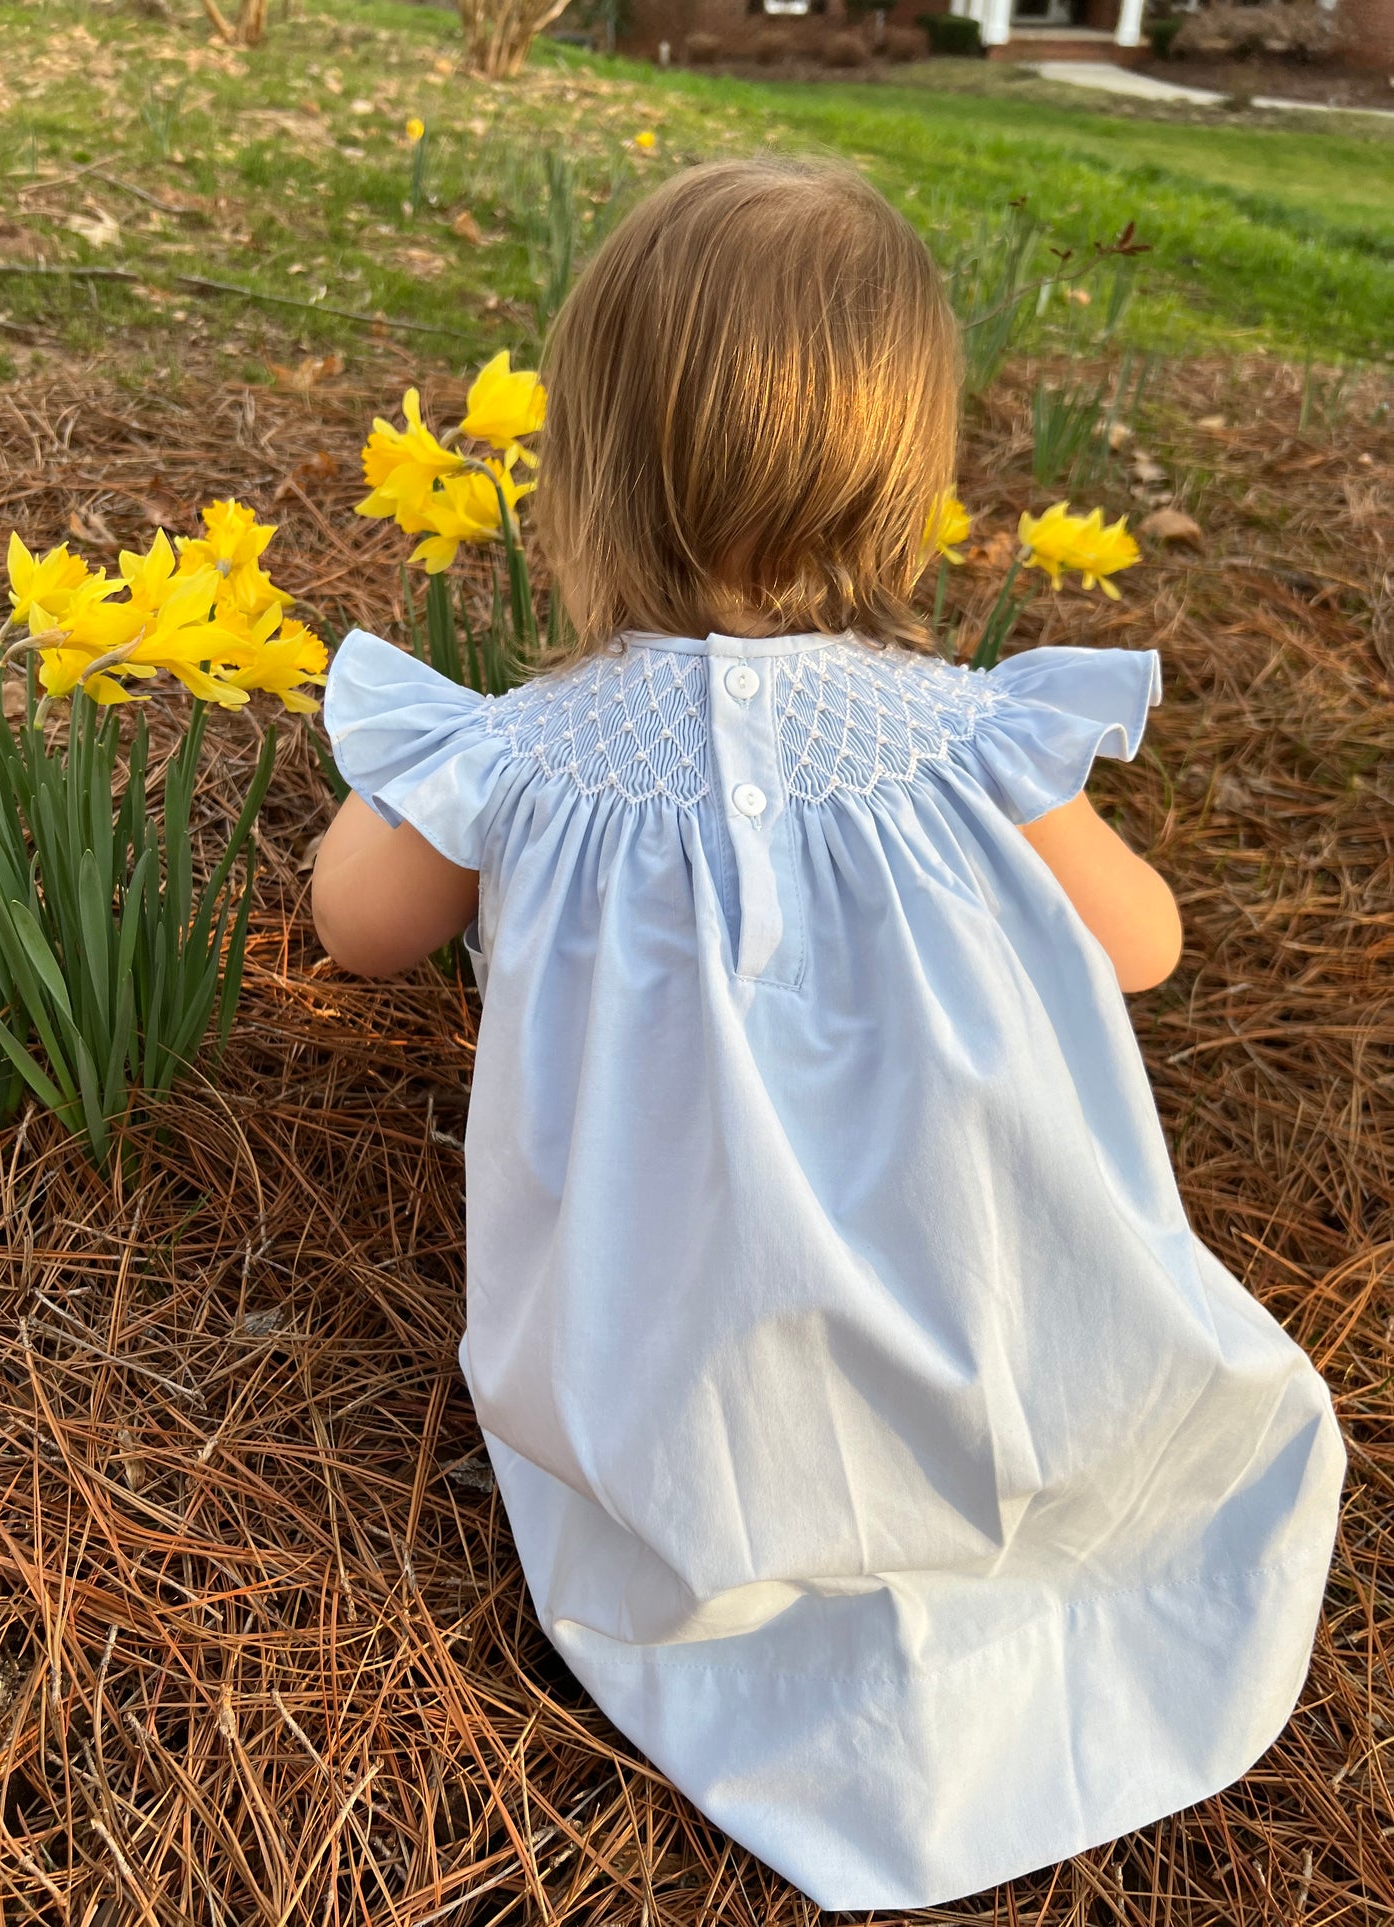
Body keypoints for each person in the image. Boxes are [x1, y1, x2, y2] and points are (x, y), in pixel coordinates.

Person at [311, 160, 1344, 1911]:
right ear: (900, 477)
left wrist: (425, 796)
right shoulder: (959, 737)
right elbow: (1145, 946)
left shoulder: (520, 756)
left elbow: (355, 928)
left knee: (696, 1457)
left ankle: (765, 1590)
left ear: (590, 466)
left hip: (674, 1372)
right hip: (976, 1297)